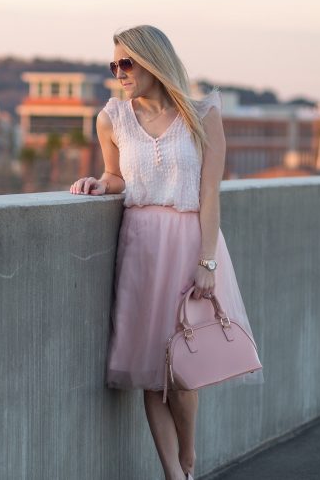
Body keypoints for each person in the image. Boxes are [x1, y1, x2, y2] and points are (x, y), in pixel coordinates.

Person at [70, 25, 263, 480]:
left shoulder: (201, 114)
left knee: (182, 370)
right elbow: (117, 176)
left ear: (153, 62)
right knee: (150, 370)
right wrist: (99, 184)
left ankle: (189, 456)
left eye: (127, 63)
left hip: (188, 243)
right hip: (140, 248)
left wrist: (207, 261)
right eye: (114, 64)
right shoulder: (111, 118)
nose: (119, 73)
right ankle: (174, 475)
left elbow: (210, 195)